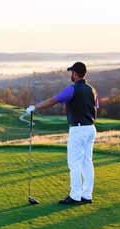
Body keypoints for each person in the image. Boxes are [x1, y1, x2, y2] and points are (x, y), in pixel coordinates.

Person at [26, 62, 98, 205]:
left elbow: (53, 100)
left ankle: (75, 196)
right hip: (90, 128)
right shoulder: (92, 90)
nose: (71, 75)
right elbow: (94, 107)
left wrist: (35, 107)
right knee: (87, 162)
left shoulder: (72, 89)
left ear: (76, 74)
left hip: (78, 129)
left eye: (72, 72)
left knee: (75, 163)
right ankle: (87, 195)